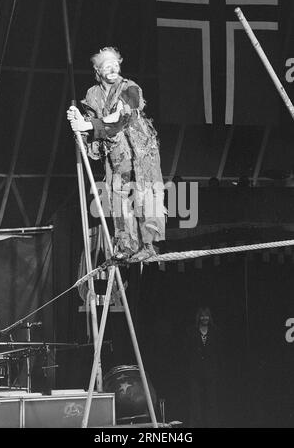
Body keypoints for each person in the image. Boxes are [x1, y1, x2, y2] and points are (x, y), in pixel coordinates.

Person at [67, 47, 166, 261]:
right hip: (115, 156)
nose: (112, 69)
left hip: (139, 154)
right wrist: (79, 123)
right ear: (97, 70)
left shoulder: (130, 87)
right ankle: (127, 246)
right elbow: (93, 127)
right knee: (119, 200)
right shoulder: (93, 94)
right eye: (106, 66)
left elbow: (120, 117)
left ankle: (148, 245)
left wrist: (87, 124)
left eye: (115, 64)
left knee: (143, 196)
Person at [186, 306, 221, 427]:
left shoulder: (215, 331)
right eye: (202, 315)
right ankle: (195, 424)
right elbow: (188, 351)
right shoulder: (191, 331)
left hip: (210, 371)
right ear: (199, 317)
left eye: (206, 315)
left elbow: (218, 352)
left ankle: (212, 424)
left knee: (211, 400)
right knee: (195, 400)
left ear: (209, 317)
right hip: (195, 371)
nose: (204, 318)